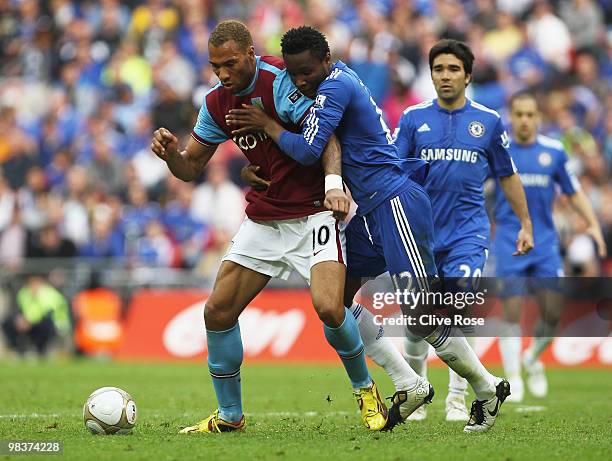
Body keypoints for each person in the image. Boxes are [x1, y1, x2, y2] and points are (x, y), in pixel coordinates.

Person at [227, 26, 511, 433]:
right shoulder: (327, 85)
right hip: (370, 212)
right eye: (294, 73)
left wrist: (267, 126)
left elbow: (309, 150)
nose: (301, 81)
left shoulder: (336, 86)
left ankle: (487, 388)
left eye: (307, 71)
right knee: (336, 303)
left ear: (326, 59)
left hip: (395, 203)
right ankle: (408, 383)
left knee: (420, 315)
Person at [150, 20, 388, 434]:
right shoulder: (215, 103)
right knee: (218, 311)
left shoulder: (280, 79)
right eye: (214, 66)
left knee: (330, 308)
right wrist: (171, 155)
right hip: (265, 217)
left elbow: (326, 137)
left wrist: (334, 185)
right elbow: (190, 168)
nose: (222, 74)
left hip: (313, 211)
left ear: (249, 54)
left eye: (229, 64)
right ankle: (229, 416)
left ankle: (366, 391)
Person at [392, 39, 534, 422]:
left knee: (457, 309)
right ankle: (417, 389)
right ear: (431, 74)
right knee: (418, 319)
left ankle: (457, 397)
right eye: (439, 69)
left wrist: (525, 223)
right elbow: (392, 172)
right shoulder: (412, 118)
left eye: (454, 69)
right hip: (419, 236)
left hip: (467, 234)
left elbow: (507, 174)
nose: (445, 76)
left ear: (468, 75)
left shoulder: (487, 121)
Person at [495, 91, 607, 402]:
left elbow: (573, 192)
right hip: (508, 239)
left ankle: (532, 359)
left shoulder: (554, 152)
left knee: (553, 313)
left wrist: (594, 224)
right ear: (511, 117)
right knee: (512, 312)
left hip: (545, 241)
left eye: (530, 114)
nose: (525, 120)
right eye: (519, 114)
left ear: (538, 118)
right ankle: (513, 378)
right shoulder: (500, 152)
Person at [1, 275, 71, 357]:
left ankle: (40, 351)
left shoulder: (50, 293)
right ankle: (17, 349)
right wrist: (20, 319)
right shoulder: (24, 293)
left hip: (55, 323)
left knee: (45, 324)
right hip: (28, 321)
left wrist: (29, 321)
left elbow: (48, 312)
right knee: (7, 322)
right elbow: (19, 308)